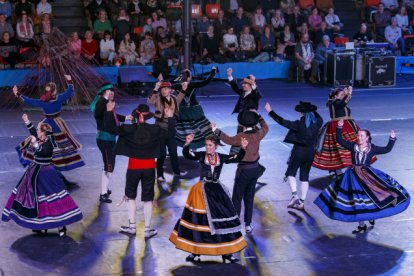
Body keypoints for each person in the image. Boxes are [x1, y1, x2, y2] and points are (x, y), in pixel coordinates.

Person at [314, 120, 410, 233]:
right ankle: (362, 225)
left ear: (367, 138)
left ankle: (371, 216)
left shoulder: (372, 148)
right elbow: (339, 140)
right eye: (358, 135)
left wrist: (392, 139)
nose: (358, 137)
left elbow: (386, 149)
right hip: (353, 176)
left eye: (361, 135)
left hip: (368, 175)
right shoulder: (352, 146)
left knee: (372, 196)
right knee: (357, 200)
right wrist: (339, 127)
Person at [169, 134, 248, 263]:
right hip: (201, 191)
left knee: (223, 221)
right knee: (199, 221)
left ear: (216, 146)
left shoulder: (221, 157)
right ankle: (195, 252)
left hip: (217, 192)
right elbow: (188, 155)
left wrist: (243, 148)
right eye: (206, 145)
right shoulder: (201, 155)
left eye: (210, 145)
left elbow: (236, 158)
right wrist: (187, 143)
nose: (207, 147)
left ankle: (226, 252)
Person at [2, 114, 83, 236]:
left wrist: (35, 144)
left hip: (46, 174)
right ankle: (39, 225)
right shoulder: (41, 138)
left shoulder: (49, 142)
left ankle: (61, 226)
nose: (36, 131)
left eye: (38, 130)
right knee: (37, 200)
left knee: (55, 199)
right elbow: (33, 132)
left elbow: (44, 152)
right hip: (34, 172)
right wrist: (27, 121)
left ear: (43, 133)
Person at [105, 103, 175, 238]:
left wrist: (109, 111)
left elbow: (111, 129)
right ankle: (147, 230)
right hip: (149, 168)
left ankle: (132, 227)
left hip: (133, 167)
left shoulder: (128, 128)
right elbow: (171, 134)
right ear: (148, 116)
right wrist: (170, 117)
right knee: (148, 199)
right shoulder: (155, 129)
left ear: (136, 115)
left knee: (131, 197)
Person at [13, 75, 85, 188]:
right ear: (54, 90)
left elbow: (30, 101)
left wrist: (18, 94)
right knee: (57, 153)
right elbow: (70, 92)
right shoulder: (59, 98)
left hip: (46, 124)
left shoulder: (43, 102)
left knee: (45, 150)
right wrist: (70, 81)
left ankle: (54, 178)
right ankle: (57, 179)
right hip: (57, 125)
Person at [212, 110, 268, 233]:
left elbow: (227, 140)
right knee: (249, 197)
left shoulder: (241, 137)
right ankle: (248, 224)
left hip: (244, 171)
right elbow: (265, 127)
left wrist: (216, 130)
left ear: (242, 124)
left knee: (237, 197)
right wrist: (259, 116)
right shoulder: (259, 133)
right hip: (255, 169)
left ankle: (235, 222)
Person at [265, 101, 323, 210]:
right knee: (304, 176)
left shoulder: (298, 124)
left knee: (291, 172)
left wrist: (270, 112)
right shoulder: (319, 122)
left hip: (299, 151)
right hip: (310, 152)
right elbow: (316, 114)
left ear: (302, 113)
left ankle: (294, 195)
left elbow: (282, 121)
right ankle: (301, 202)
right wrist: (309, 108)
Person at [312, 86, 375, 175]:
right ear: (335, 97)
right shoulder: (334, 103)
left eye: (343, 95)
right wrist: (348, 94)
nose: (342, 96)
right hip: (339, 126)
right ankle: (339, 169)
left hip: (347, 125)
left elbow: (343, 103)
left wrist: (346, 94)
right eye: (341, 95)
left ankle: (357, 164)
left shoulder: (337, 102)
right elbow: (342, 103)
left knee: (352, 145)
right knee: (340, 148)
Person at [90, 83, 132, 203]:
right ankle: (103, 193)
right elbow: (99, 114)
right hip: (106, 139)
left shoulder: (105, 103)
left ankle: (105, 189)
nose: (112, 93)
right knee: (109, 166)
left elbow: (113, 116)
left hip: (107, 139)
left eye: (113, 91)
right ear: (104, 92)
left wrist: (125, 118)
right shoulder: (103, 103)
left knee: (109, 165)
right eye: (109, 91)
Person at [147, 80, 187, 181]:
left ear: (170, 90)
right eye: (162, 89)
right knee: (162, 154)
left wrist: (183, 90)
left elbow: (179, 98)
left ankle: (176, 171)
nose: (164, 91)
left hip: (171, 129)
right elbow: (149, 101)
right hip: (160, 129)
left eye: (166, 89)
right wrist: (155, 89)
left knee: (173, 152)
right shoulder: (157, 98)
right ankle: (160, 174)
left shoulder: (173, 98)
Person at [172, 67, 217, 148]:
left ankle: (185, 145)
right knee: (199, 127)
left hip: (182, 110)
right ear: (189, 77)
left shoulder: (177, 85)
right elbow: (206, 81)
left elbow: (168, 87)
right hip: (195, 110)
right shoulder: (193, 84)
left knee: (184, 129)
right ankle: (195, 146)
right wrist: (213, 72)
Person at [227, 67, 262, 153]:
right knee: (239, 136)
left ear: (251, 85)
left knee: (249, 138)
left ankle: (250, 153)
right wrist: (230, 76)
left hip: (250, 121)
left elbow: (258, 94)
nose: (242, 85)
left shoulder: (255, 95)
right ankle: (235, 153)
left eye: (245, 84)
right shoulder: (243, 92)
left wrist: (253, 83)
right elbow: (235, 87)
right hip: (241, 119)